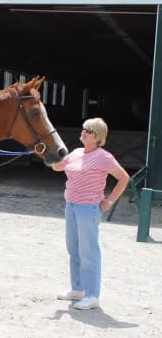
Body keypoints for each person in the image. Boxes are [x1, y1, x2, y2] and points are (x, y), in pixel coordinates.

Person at [51, 117, 129, 310]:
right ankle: (78, 289)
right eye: (83, 129)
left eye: (87, 130)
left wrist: (109, 201)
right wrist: (49, 154)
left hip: (88, 208)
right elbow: (57, 166)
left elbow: (123, 178)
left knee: (89, 252)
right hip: (71, 204)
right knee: (73, 248)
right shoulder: (77, 152)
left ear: (96, 136)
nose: (83, 132)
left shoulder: (104, 157)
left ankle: (92, 295)